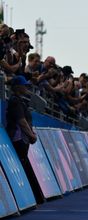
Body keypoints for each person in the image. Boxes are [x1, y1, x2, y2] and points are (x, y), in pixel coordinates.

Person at [6, 75, 44, 204]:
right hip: (19, 139)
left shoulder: (20, 101)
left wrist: (30, 134)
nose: (26, 87)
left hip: (24, 139)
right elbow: (21, 121)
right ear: (17, 87)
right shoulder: (15, 101)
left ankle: (31, 199)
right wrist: (31, 135)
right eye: (24, 85)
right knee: (22, 166)